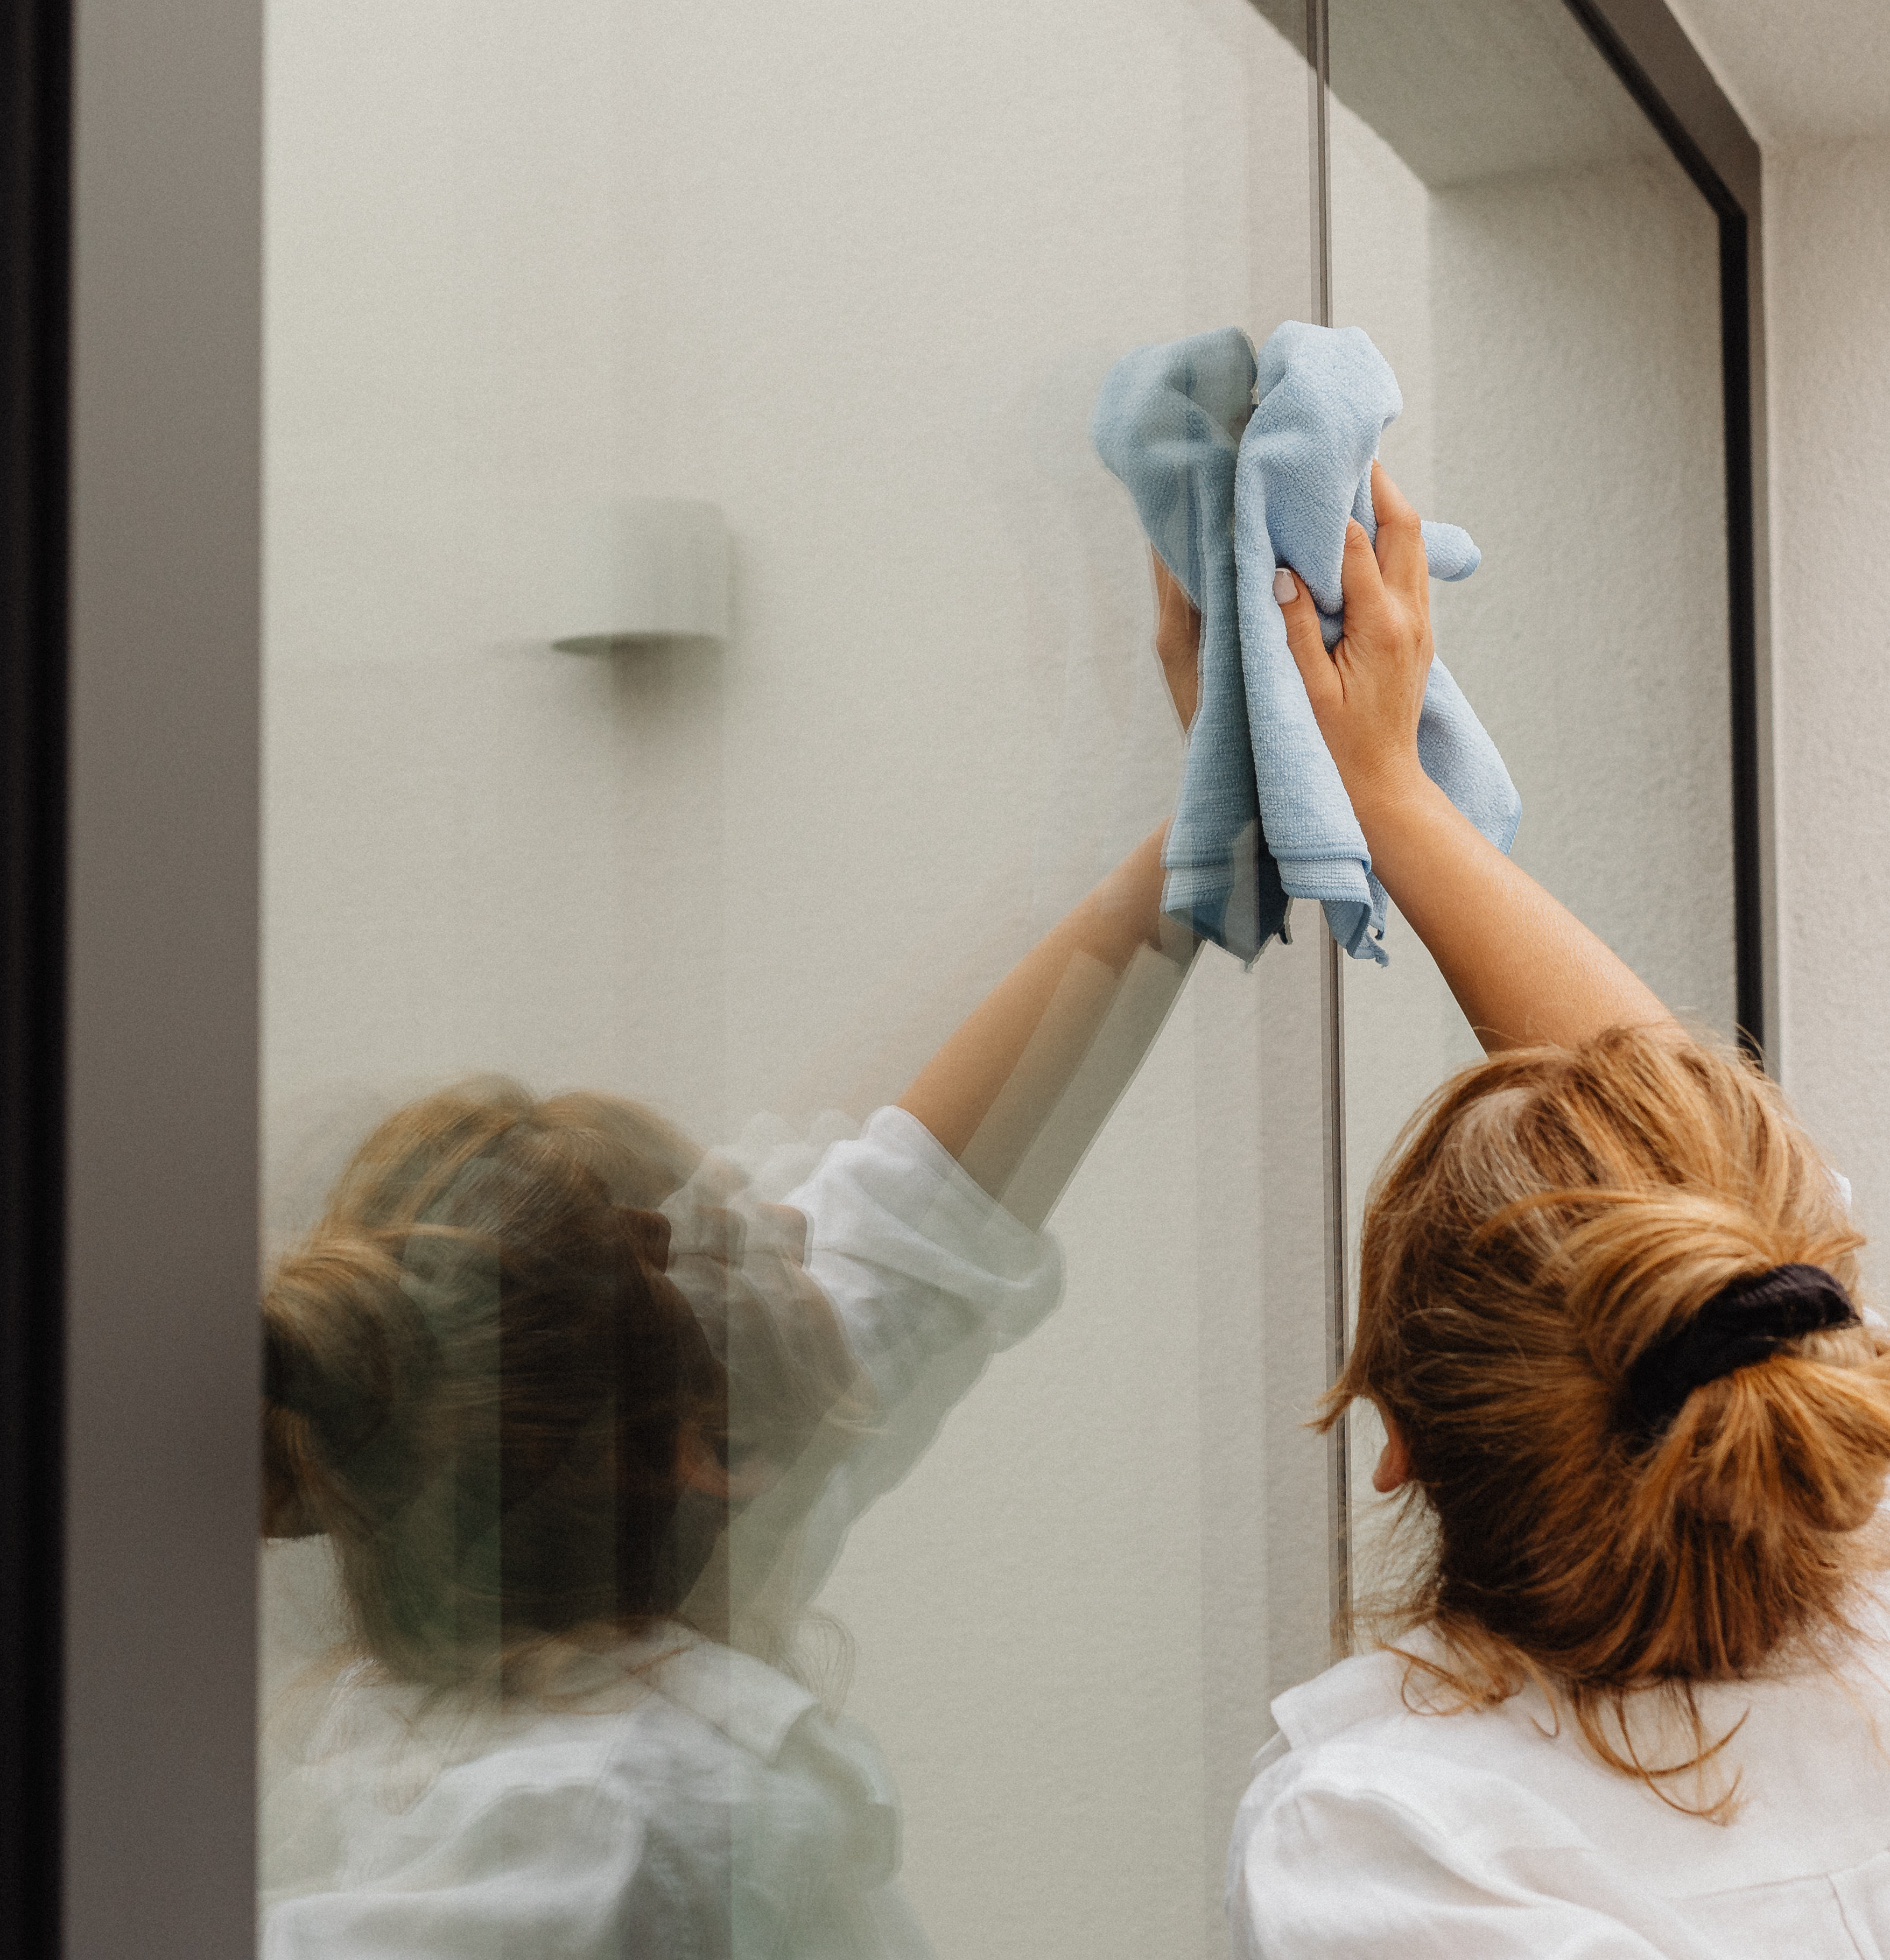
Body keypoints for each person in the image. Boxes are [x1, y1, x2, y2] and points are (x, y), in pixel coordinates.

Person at [1226, 469, 1890, 1958]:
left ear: (1390, 1434)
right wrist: (1388, 796)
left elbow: (1725, 1242)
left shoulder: (1392, 1841)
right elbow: (1725, 1233)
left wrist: (1375, 791)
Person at [252, 623, 1206, 1959]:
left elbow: (922, 1212)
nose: (793, 1212)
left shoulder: (560, 1592)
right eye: (747, 1233)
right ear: (716, 1450)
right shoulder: (660, 1821)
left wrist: (1188, 853)